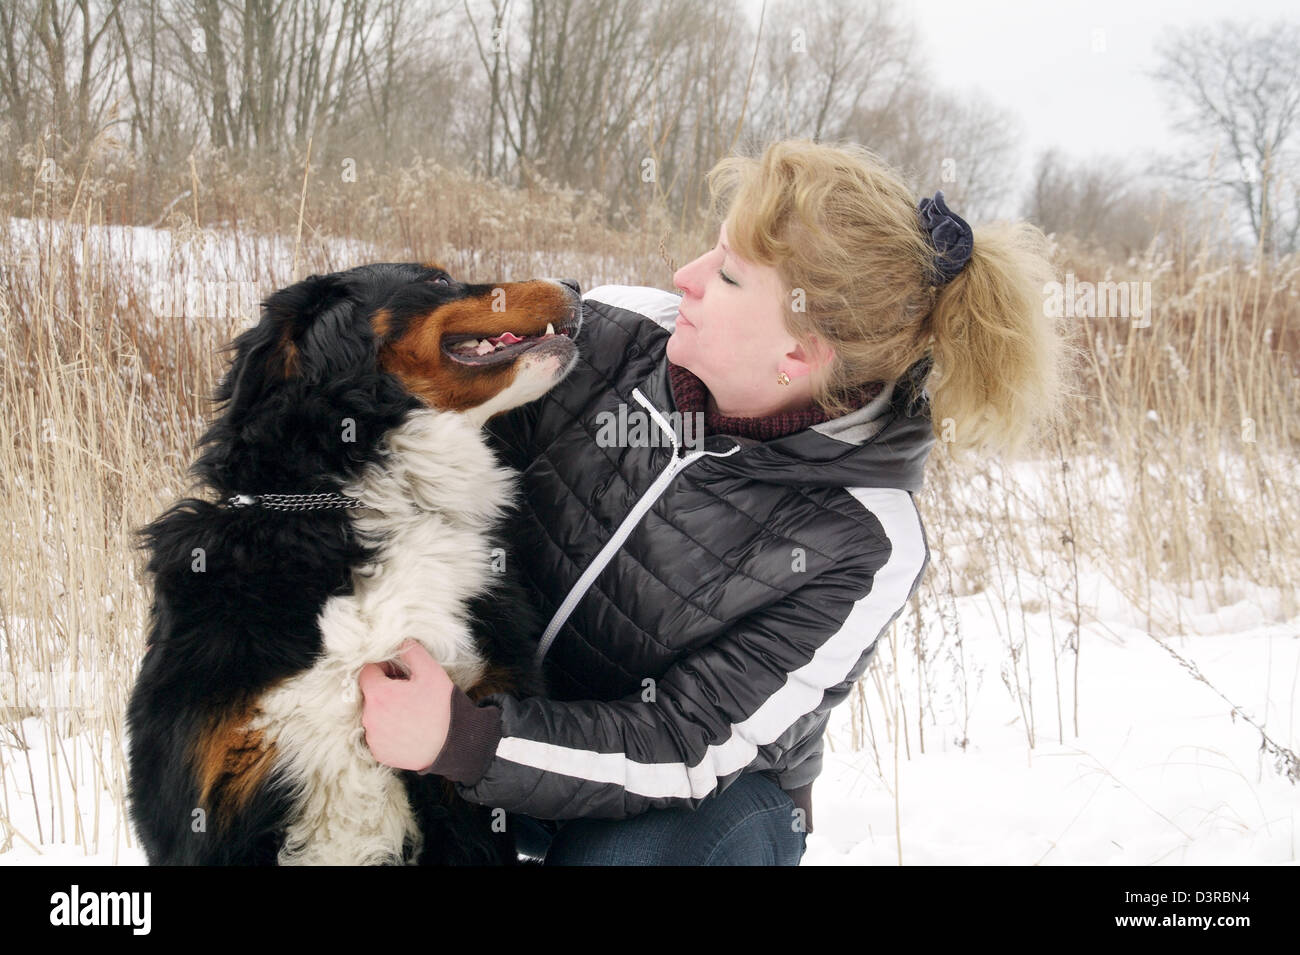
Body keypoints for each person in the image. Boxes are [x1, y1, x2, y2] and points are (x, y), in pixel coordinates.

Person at [359, 138, 1071, 865]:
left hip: (666, 804)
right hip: (468, 729)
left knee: (667, 844)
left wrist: (466, 738)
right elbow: (416, 436)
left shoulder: (864, 541)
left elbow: (685, 743)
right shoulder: (610, 334)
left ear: (800, 352)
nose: (685, 277)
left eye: (728, 275)